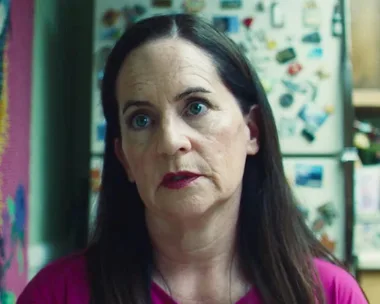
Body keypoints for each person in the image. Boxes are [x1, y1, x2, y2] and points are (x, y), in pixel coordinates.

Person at [17, 13, 368, 304]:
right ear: (124, 157)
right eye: (141, 119)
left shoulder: (331, 294)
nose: (170, 142)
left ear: (253, 131)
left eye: (196, 107)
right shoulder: (56, 294)